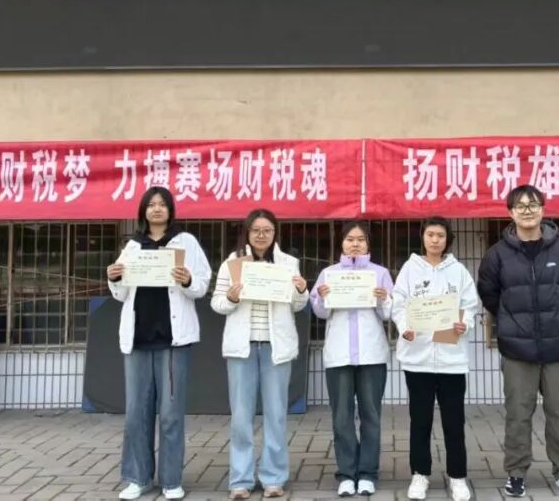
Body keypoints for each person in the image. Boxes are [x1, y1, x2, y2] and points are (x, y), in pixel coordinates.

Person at [476, 185, 559, 499]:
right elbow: (489, 294)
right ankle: (516, 472)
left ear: (543, 210)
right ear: (510, 213)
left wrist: (558, 320)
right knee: (518, 414)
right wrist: (511, 320)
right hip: (517, 349)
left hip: (558, 348)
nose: (527, 210)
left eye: (533, 204)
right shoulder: (497, 254)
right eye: (520, 206)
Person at [106, 186, 212, 501]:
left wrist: (187, 280)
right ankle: (137, 478)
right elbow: (121, 294)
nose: (156, 209)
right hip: (138, 339)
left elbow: (202, 284)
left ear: (170, 210)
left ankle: (171, 480)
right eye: (151, 205)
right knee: (136, 413)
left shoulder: (185, 242)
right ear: (143, 211)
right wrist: (114, 278)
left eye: (162, 204)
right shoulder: (132, 246)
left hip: (172, 341)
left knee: (170, 414)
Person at [211, 209, 309, 499]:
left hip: (275, 347)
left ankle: (273, 478)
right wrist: (231, 298)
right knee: (241, 417)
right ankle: (240, 480)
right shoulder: (233, 263)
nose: (261, 235)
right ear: (247, 232)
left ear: (275, 233)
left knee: (276, 415)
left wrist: (302, 291)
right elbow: (217, 303)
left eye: (267, 230)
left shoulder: (288, 263)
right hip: (242, 347)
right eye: (256, 230)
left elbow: (297, 305)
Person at [391, 217, 479, 501]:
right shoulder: (409, 269)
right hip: (418, 359)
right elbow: (398, 304)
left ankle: (457, 477)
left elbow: (471, 305)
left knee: (454, 422)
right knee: (420, 420)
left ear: (447, 239)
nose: (435, 240)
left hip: (451, 360)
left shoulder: (459, 271)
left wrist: (465, 323)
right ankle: (420, 474)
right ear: (423, 237)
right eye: (430, 234)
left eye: (440, 235)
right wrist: (404, 327)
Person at [310, 221, 394, 497]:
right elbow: (320, 313)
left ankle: (368, 473)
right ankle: (347, 473)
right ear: (341, 243)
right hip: (339, 355)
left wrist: (384, 299)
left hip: (371, 354)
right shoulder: (328, 274)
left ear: (368, 243)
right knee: (341, 417)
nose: (355, 244)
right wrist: (322, 298)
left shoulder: (380, 274)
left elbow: (389, 314)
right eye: (350, 239)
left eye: (360, 239)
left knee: (371, 415)